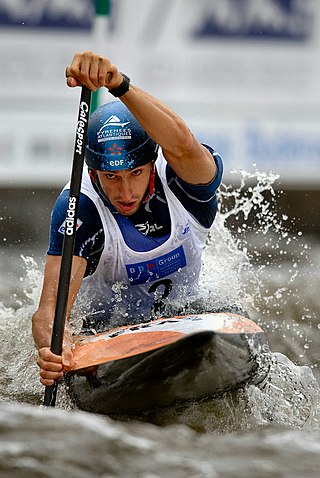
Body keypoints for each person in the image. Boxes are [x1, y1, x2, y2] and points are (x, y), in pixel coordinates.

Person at [32, 51, 223, 387]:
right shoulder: (80, 207)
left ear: (152, 163)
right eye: (111, 177)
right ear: (93, 172)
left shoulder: (185, 183)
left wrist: (118, 85)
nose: (125, 192)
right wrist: (56, 349)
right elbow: (49, 312)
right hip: (107, 333)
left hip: (189, 313)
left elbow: (181, 141)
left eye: (135, 173)